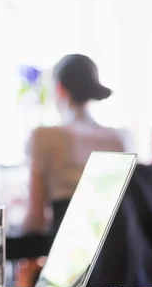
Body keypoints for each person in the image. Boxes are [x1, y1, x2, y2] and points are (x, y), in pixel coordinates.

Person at [24, 54, 129, 235]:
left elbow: (35, 219)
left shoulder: (44, 137)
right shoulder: (118, 139)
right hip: (118, 255)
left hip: (69, 256)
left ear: (59, 89)